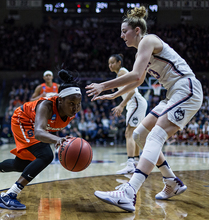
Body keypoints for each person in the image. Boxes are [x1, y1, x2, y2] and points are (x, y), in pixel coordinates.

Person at [86, 6, 203, 212]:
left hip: (186, 88)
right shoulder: (143, 49)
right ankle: (172, 182)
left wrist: (103, 85)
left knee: (155, 136)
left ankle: (129, 193)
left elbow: (136, 75)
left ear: (137, 30)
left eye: (125, 31)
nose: (122, 35)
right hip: (173, 93)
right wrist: (114, 95)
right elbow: (138, 80)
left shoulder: (148, 40)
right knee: (140, 135)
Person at [0, 69, 82, 210]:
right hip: (22, 120)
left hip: (38, 127)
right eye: (72, 104)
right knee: (46, 155)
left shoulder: (71, 110)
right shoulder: (46, 105)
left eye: (78, 104)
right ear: (60, 100)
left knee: (22, 165)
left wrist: (54, 138)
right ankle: (9, 196)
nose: (75, 108)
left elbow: (53, 124)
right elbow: (38, 132)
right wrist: (56, 140)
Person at [108, 54, 148, 174]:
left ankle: (130, 163)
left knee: (128, 133)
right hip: (135, 104)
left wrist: (121, 105)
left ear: (119, 62)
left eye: (112, 63)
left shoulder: (122, 72)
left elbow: (131, 91)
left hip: (135, 103)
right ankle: (135, 161)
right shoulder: (120, 74)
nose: (110, 65)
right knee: (134, 134)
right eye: (109, 64)